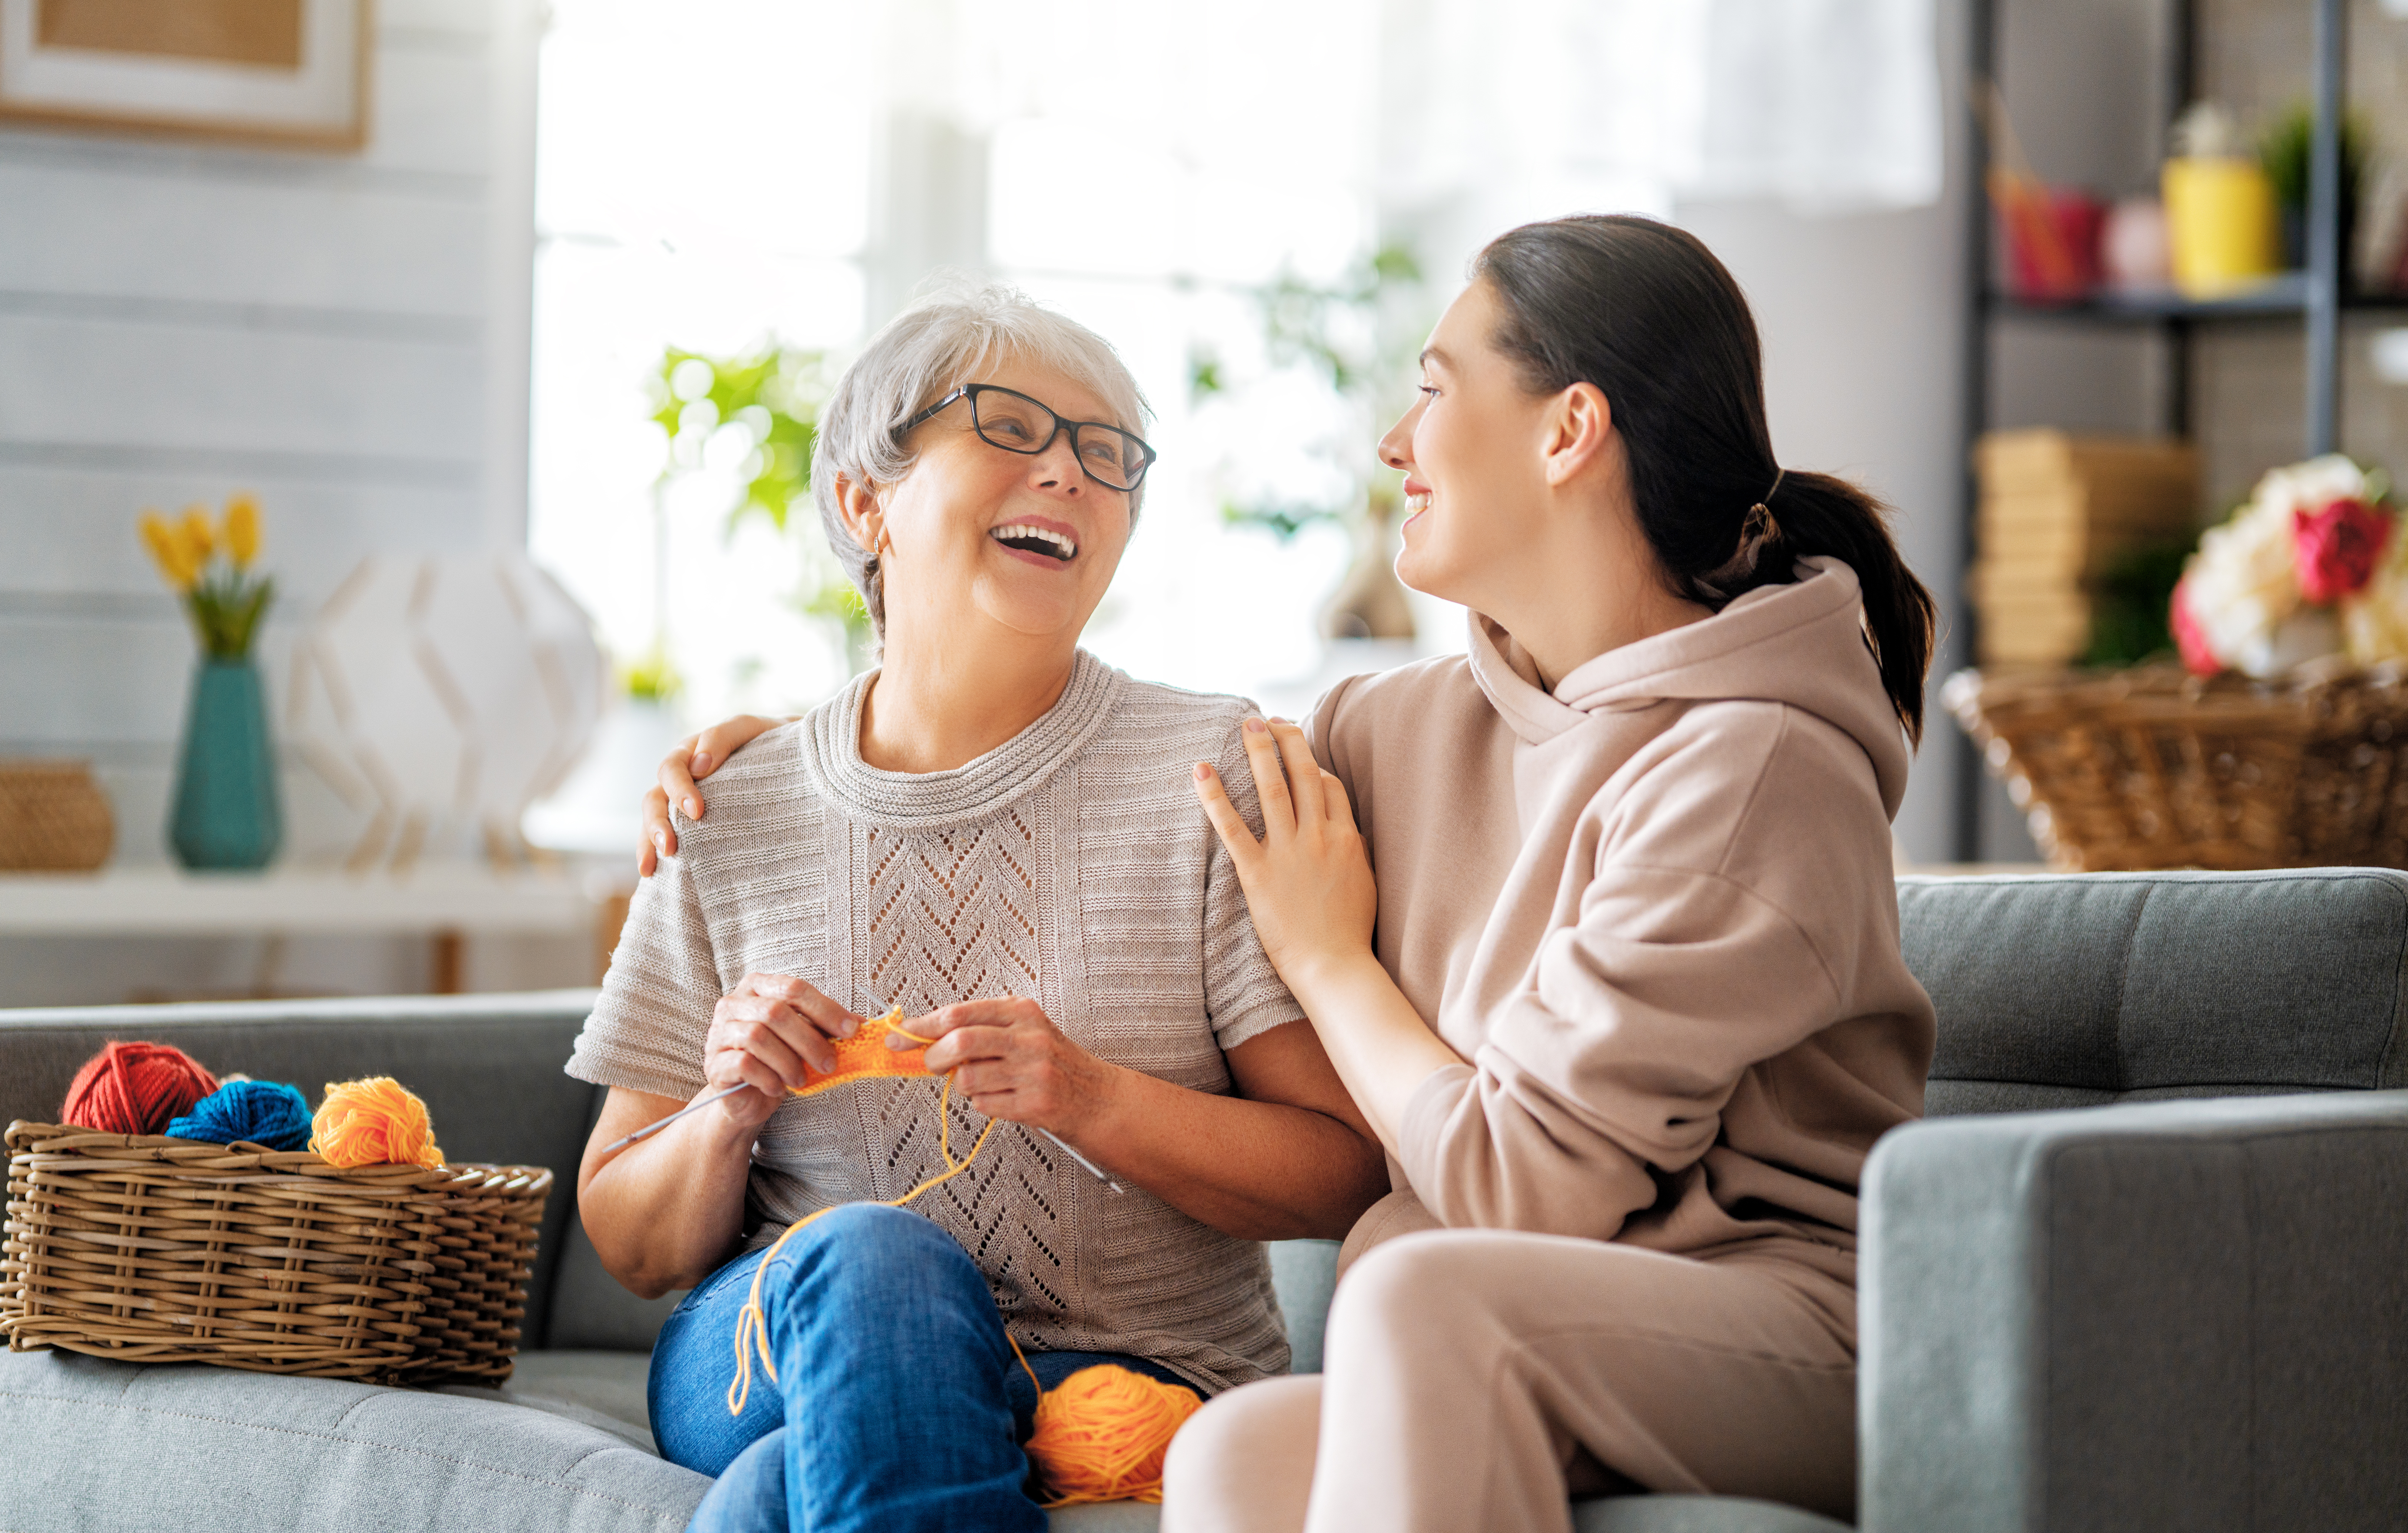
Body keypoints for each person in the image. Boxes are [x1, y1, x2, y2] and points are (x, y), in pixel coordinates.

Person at [648, 214, 1938, 1530]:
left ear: (1566, 432)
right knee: (1236, 1450)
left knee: (1425, 1294)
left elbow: (1525, 1188)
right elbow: (1124, 772)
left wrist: (1326, 960)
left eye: (1434, 389)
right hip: (1496, 1315)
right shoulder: (1400, 729)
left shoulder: (1755, 767)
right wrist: (807, 755)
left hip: (1776, 1333)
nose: (1394, 441)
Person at [572, 282, 1386, 1533]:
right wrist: (727, 1109)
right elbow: (630, 1239)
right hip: (773, 1346)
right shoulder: (730, 808)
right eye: (1009, 426)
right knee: (869, 1255)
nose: (1070, 471)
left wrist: (1092, 1096)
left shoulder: (1206, 772)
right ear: (864, 500)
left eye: (1108, 454)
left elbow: (1341, 1167)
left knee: (767, 1500)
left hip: (1132, 1368)